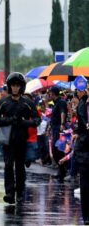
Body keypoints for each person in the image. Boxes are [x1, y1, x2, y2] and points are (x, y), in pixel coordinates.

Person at [0, 72, 40, 204]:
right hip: (7, 139)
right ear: (9, 86)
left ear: (21, 87)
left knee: (20, 167)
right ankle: (9, 193)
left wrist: (25, 122)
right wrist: (9, 120)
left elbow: (37, 120)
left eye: (17, 85)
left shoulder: (28, 102)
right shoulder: (3, 102)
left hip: (22, 139)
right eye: (13, 85)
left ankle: (20, 192)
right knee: (8, 166)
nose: (15, 88)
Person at [72, 76, 89, 225]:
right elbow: (82, 127)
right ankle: (86, 217)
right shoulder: (82, 105)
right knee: (85, 185)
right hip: (85, 150)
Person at [48, 86, 68, 181]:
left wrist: (62, 124)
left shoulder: (61, 102)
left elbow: (63, 113)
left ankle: (63, 171)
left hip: (59, 129)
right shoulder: (55, 103)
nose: (49, 95)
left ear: (54, 93)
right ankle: (61, 171)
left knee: (58, 150)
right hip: (54, 128)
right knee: (55, 150)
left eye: (50, 93)